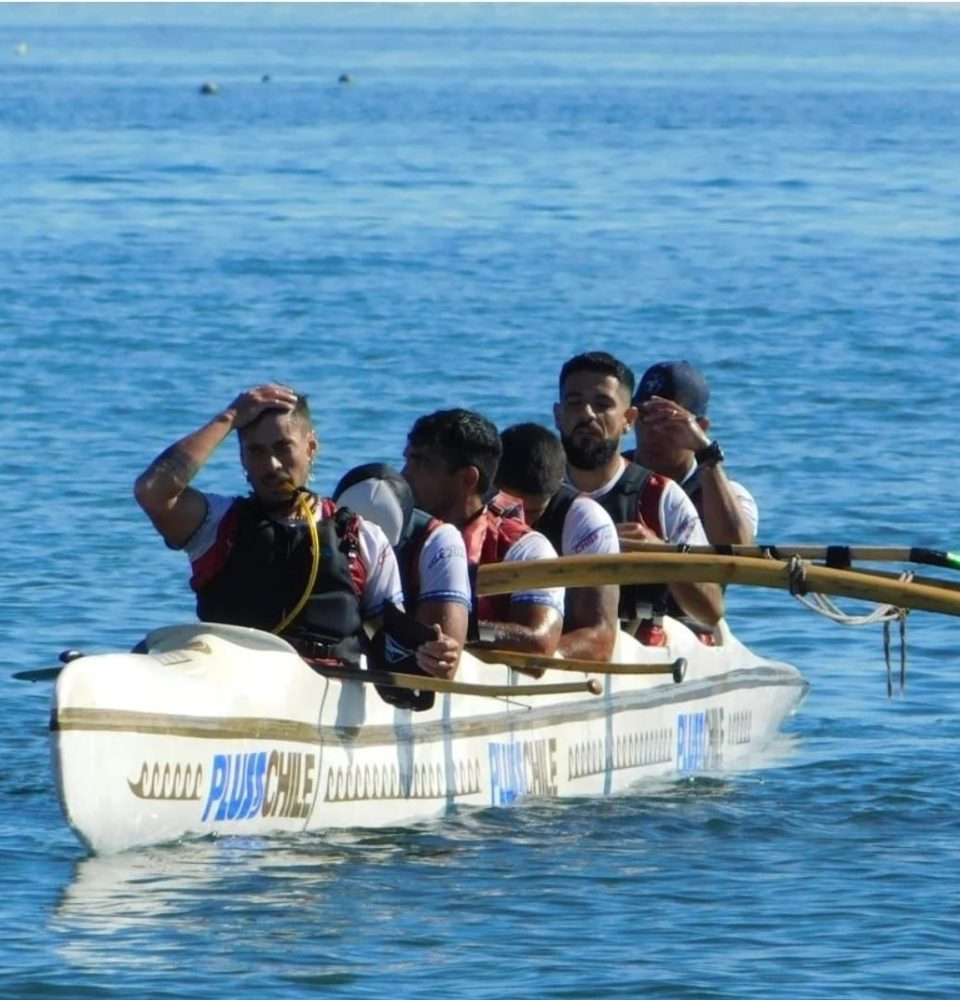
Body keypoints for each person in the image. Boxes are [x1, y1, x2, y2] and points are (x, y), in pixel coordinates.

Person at [132, 383, 460, 675]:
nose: (271, 465)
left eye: (283, 447)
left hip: (322, 695)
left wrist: (433, 654)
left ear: (311, 447)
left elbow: (393, 640)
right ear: (242, 458)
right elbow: (152, 489)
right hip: (232, 686)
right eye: (256, 452)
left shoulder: (364, 539)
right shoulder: (216, 526)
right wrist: (229, 418)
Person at [554, 352, 724, 642]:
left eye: (603, 404)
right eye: (574, 404)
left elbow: (711, 611)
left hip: (644, 652)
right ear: (558, 415)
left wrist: (662, 553)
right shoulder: (528, 494)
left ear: (628, 420)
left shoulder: (662, 498)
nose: (587, 414)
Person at [402, 408, 564, 658]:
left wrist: (460, 632)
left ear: (467, 478)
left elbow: (539, 645)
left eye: (419, 462)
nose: (404, 475)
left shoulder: (527, 550)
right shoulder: (396, 533)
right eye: (406, 460)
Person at [333, 463, 470, 679]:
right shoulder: (310, 530)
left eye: (378, 547)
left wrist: (439, 655)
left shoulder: (439, 541)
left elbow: (443, 672)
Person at [496, 423, 620, 662]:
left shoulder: (586, 522)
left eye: (531, 511)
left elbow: (600, 640)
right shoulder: (472, 503)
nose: (519, 523)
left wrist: (535, 655)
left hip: (545, 646)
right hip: (507, 639)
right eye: (509, 509)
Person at [632, 360, 758, 545]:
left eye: (666, 418)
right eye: (644, 416)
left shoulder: (726, 497)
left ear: (700, 427)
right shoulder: (611, 477)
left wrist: (706, 453)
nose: (653, 429)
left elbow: (737, 548)